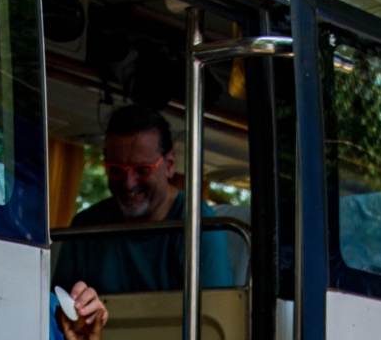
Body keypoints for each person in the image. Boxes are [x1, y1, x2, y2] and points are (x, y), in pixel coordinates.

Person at [52, 104, 241, 295]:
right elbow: (57, 307)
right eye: (116, 170)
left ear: (169, 165)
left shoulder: (199, 227)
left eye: (142, 170)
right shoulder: (85, 227)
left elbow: (216, 309)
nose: (128, 183)